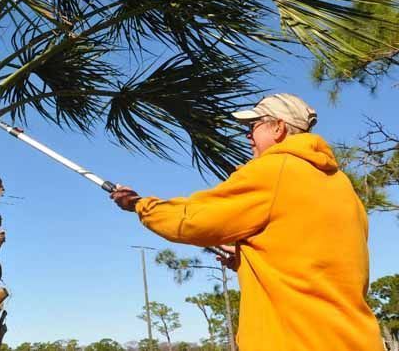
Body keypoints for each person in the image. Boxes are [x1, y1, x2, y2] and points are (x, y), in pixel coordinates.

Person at [110, 93, 383, 351]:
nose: (248, 134)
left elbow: (192, 219)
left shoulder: (274, 170)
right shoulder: (341, 186)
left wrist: (139, 204)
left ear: (278, 128)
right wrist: (247, 256)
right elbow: (317, 259)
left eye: (254, 125)